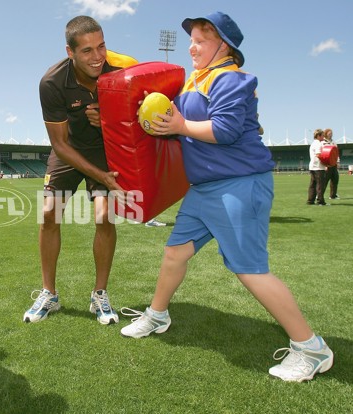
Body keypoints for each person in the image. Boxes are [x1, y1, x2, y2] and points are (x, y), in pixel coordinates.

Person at [120, 12, 333, 382]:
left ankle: (311, 347)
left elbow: (227, 129)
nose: (192, 46)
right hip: (204, 189)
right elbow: (178, 127)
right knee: (175, 253)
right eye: (192, 40)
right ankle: (157, 314)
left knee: (249, 270)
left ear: (225, 46)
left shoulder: (231, 78)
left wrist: (181, 125)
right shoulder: (195, 81)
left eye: (201, 40)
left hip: (239, 184)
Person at [23, 15, 128, 325]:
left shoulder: (121, 73)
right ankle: (49, 293)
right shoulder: (52, 82)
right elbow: (60, 144)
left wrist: (109, 119)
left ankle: (100, 295)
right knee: (49, 213)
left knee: (104, 216)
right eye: (86, 51)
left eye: (102, 47)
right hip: (68, 148)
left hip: (103, 149)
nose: (97, 58)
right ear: (70, 52)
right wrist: (102, 178)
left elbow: (139, 124)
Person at [307, 129, 327, 205]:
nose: (323, 137)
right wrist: (326, 163)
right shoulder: (318, 143)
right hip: (318, 167)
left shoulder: (313, 143)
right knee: (320, 184)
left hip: (312, 166)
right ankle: (320, 201)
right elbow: (319, 155)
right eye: (322, 136)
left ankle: (310, 200)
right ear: (318, 136)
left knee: (313, 184)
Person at [323, 128, 340, 199]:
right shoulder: (323, 142)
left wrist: (338, 162)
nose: (331, 135)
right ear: (326, 134)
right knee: (325, 181)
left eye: (331, 133)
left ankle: (333, 195)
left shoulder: (334, 142)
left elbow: (336, 153)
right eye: (329, 133)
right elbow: (323, 154)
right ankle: (319, 195)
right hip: (327, 164)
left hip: (334, 164)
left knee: (335, 179)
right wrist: (324, 165)